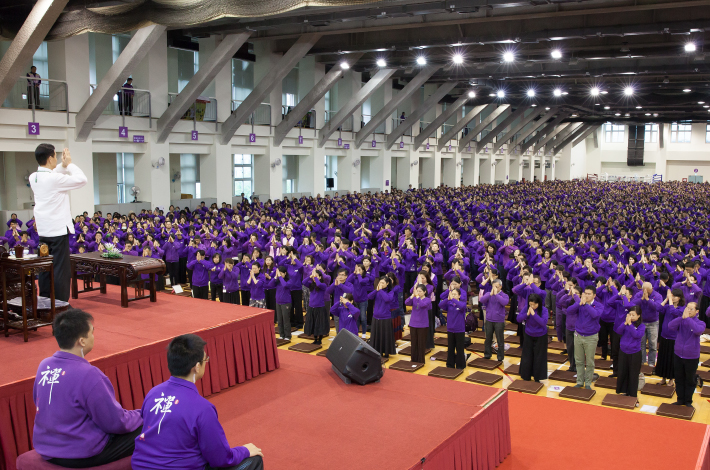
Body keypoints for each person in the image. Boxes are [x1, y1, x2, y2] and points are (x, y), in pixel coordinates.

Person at [131, 334, 264, 470]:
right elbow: (221, 458)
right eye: (205, 360)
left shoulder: (153, 393)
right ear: (197, 367)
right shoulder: (202, 408)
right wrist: (244, 450)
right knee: (254, 460)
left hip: (141, 467)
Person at [32, 309, 142, 467]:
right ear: (82, 341)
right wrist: (141, 414)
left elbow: (38, 402)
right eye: (92, 332)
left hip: (46, 448)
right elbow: (115, 423)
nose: (93, 337)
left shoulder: (44, 365)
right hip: (80, 452)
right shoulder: (89, 374)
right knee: (153, 426)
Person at [30, 144, 88, 302]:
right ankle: (61, 304)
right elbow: (82, 180)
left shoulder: (34, 177)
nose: (56, 159)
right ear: (50, 158)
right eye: (55, 156)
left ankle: (45, 301)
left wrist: (62, 165)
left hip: (44, 230)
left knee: (45, 267)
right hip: (57, 230)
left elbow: (53, 173)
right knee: (61, 270)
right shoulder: (54, 179)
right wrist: (69, 164)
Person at [668, 302, 704, 408]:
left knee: (690, 379)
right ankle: (680, 399)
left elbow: (698, 330)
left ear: (697, 311)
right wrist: (681, 318)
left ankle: (688, 401)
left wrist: (688, 319)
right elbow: (670, 326)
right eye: (687, 308)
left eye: (691, 309)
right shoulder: (682, 320)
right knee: (679, 378)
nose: (688, 310)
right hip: (678, 354)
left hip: (691, 356)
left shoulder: (700, 323)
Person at [569, 286, 603, 390]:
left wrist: (585, 304)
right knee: (579, 360)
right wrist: (579, 303)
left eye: (589, 294)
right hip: (578, 335)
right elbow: (569, 311)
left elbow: (595, 315)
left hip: (591, 337)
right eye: (585, 293)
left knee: (589, 362)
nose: (587, 295)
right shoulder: (580, 303)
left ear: (594, 295)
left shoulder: (599, 305)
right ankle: (579, 381)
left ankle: (588, 383)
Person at [614, 306, 645, 401]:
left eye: (633, 315)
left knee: (633, 374)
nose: (631, 316)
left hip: (634, 353)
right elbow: (618, 331)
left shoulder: (641, 326)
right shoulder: (626, 323)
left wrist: (630, 324)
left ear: (638, 316)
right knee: (623, 372)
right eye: (630, 314)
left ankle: (633, 395)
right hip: (623, 351)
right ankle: (625, 391)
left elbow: (636, 335)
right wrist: (625, 323)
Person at [517, 293, 549, 382]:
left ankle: (537, 377)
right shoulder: (527, 308)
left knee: (539, 357)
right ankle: (526, 376)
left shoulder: (544, 310)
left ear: (539, 303)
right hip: (529, 334)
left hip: (541, 336)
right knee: (527, 356)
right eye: (531, 304)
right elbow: (518, 319)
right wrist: (527, 314)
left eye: (534, 304)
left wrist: (534, 314)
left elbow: (543, 323)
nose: (532, 306)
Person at [656, 288, 685, 386]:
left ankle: (671, 379)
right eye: (672, 295)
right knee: (663, 358)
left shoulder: (682, 309)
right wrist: (666, 299)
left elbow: (674, 312)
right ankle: (663, 378)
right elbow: (658, 308)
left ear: (680, 298)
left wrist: (670, 301)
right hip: (664, 336)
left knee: (671, 359)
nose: (673, 297)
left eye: (675, 296)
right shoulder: (668, 306)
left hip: (674, 338)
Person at [479, 279, 509, 362]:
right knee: (488, 338)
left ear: (500, 287)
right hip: (489, 319)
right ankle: (487, 354)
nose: (495, 288)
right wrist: (490, 294)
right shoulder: (489, 294)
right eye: (493, 286)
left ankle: (500, 357)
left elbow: (504, 302)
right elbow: (482, 300)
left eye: (496, 287)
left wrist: (496, 295)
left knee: (500, 339)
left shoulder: (504, 295)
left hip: (499, 320)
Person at [440, 287, 468, 369]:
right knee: (450, 348)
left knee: (459, 349)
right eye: (452, 294)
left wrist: (453, 299)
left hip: (459, 329)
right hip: (450, 329)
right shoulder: (449, 303)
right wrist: (447, 299)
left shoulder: (462, 303)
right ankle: (450, 365)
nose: (453, 295)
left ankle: (460, 365)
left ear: (459, 296)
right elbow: (440, 305)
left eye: (455, 294)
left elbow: (461, 307)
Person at [405, 284, 432, 364]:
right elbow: (406, 302)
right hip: (413, 323)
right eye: (417, 291)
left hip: (423, 324)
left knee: (421, 343)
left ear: (424, 292)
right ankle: (413, 359)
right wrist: (412, 296)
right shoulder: (414, 298)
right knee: (414, 343)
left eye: (420, 291)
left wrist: (417, 297)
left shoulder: (427, 300)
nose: (418, 293)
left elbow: (423, 305)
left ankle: (421, 360)